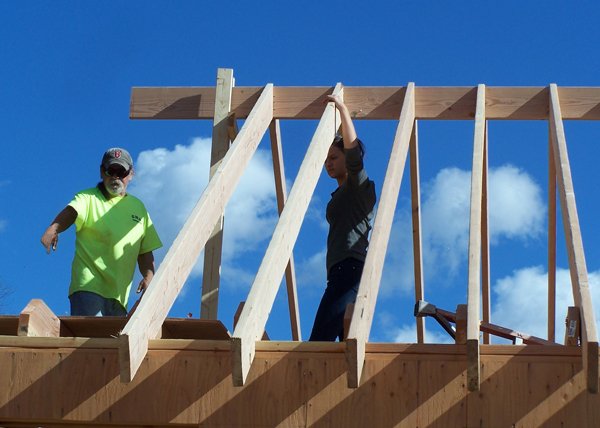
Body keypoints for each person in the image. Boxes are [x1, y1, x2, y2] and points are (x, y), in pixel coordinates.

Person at [41, 148, 162, 316]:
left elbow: (144, 249)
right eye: (110, 171)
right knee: (91, 339)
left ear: (131, 174)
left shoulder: (139, 208)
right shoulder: (88, 197)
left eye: (121, 172)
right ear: (101, 171)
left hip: (119, 296)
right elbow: (72, 212)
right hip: (89, 288)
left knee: (110, 341)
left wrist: (149, 276)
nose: (115, 177)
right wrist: (54, 228)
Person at [309, 95, 377, 341]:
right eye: (326, 159)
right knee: (337, 349)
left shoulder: (358, 187)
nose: (328, 163)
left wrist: (343, 109)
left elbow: (353, 154)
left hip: (350, 269)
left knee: (318, 344)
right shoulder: (339, 194)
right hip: (338, 272)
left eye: (333, 158)